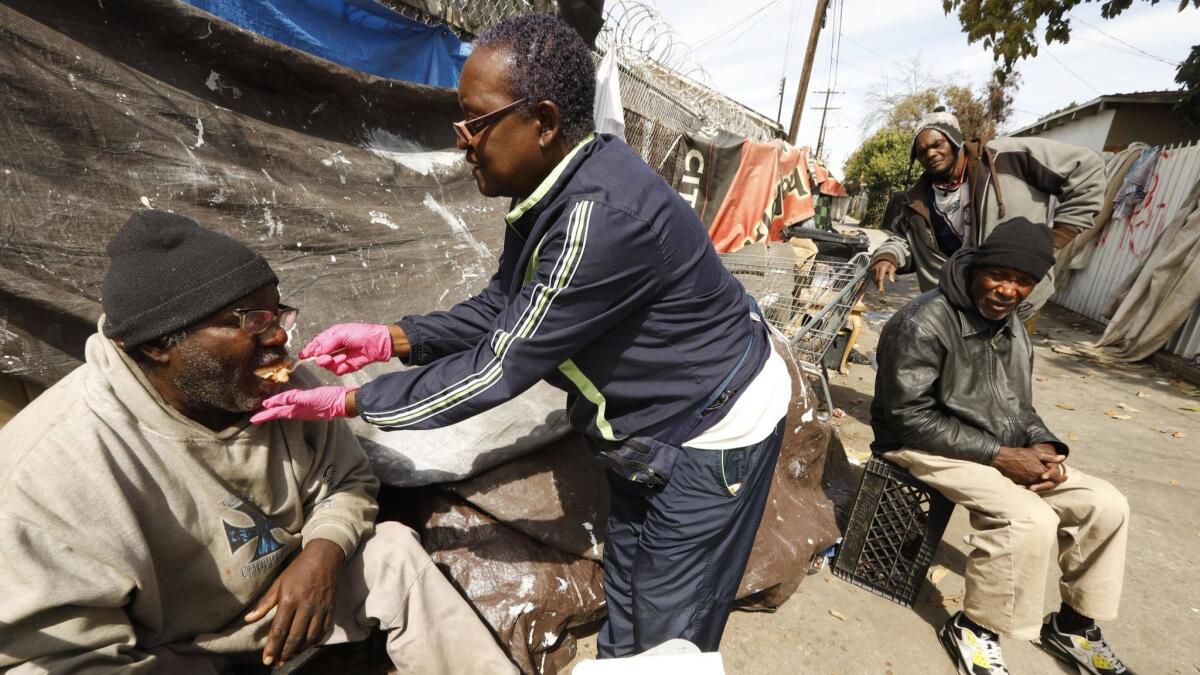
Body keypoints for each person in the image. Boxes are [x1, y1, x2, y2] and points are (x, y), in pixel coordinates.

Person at [251, 13, 792, 658]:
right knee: (631, 589)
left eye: (474, 122)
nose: (461, 141)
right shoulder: (546, 186)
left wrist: (352, 402)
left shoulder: (599, 220)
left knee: (670, 633)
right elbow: (502, 307)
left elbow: (499, 367)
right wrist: (391, 338)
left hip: (710, 429)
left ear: (542, 121)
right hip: (646, 429)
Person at [0, 211, 515, 674]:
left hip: (290, 607)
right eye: (251, 322)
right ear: (158, 344)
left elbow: (350, 479)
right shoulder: (54, 464)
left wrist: (323, 552)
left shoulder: (280, 385)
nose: (278, 339)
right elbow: (56, 655)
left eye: (277, 314)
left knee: (391, 553)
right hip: (170, 653)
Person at [870, 218, 1133, 675]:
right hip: (919, 443)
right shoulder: (922, 321)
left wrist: (1045, 445)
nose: (1009, 291)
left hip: (994, 444)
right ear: (978, 269)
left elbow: (1017, 407)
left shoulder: (1011, 325)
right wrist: (1001, 456)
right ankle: (974, 628)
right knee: (1028, 518)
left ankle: (1072, 626)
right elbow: (906, 417)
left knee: (1106, 505)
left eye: (1023, 282)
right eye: (1001, 276)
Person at [869, 107, 1105, 321]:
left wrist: (1052, 240)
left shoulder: (1008, 157)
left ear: (954, 141)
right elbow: (907, 241)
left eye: (936, 144)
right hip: (955, 309)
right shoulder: (920, 199)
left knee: (1006, 367)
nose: (929, 154)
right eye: (921, 152)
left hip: (1015, 306)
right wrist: (888, 255)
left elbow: (1086, 167)